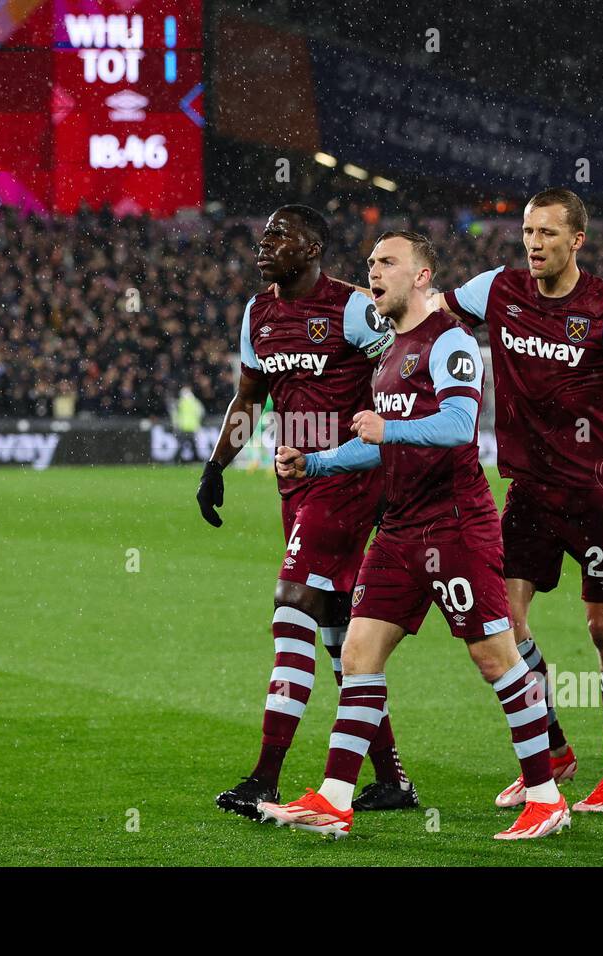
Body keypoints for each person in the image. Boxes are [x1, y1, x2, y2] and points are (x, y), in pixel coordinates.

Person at [261, 231, 568, 840]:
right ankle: (335, 797)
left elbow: (458, 426)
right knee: (357, 655)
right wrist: (316, 464)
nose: (373, 272)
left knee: (494, 658)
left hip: (455, 525)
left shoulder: (449, 340)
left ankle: (546, 795)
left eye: (387, 263)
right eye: (370, 263)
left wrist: (388, 427)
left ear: (422, 276)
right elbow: (377, 444)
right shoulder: (386, 354)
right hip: (400, 527)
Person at [433, 188, 603, 813]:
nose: (534, 244)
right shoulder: (498, 290)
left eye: (546, 234)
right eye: (528, 232)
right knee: (505, 626)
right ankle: (554, 752)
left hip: (599, 494)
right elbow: (430, 311)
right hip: (529, 492)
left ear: (577, 241)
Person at [198, 206, 419, 819]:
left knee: (292, 607)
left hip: (347, 478)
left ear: (314, 247)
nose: (264, 246)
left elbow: (402, 363)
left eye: (279, 236)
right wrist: (216, 466)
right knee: (341, 634)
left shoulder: (350, 308)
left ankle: (265, 778)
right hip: (296, 482)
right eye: (262, 235)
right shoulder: (257, 313)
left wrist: (394, 436)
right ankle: (394, 780)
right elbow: (249, 397)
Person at [173, 386, 204, 463]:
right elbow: (201, 412)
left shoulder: (180, 402)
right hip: (193, 427)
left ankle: (177, 460)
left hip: (183, 427)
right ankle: (196, 459)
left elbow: (175, 414)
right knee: (193, 445)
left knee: (181, 445)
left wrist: (176, 425)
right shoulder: (195, 402)